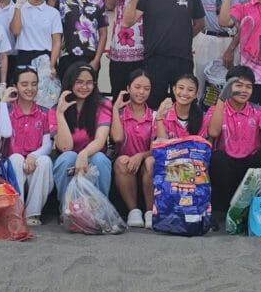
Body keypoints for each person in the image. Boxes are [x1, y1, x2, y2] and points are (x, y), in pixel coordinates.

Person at [122, 0, 205, 108]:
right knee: (153, 105)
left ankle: (182, 133)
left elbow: (200, 24)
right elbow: (127, 23)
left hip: (182, 60)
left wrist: (182, 36)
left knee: (183, 105)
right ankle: (154, 133)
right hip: (154, 61)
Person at [206, 66, 261, 221]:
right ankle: (221, 211)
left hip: (249, 169)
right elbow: (213, 132)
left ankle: (260, 209)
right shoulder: (216, 109)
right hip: (226, 168)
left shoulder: (258, 110)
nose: (244, 90)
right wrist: (221, 99)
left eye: (248, 86)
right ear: (228, 86)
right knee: (216, 158)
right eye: (238, 85)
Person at [0, 66, 55, 225]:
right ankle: (16, 212)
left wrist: (33, 156)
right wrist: (3, 103)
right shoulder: (6, 110)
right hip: (10, 167)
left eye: (34, 84)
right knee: (16, 159)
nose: (30, 88)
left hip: (34, 164)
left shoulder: (44, 112)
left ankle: (32, 214)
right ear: (15, 86)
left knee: (45, 161)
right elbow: (5, 133)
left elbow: (47, 145)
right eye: (24, 84)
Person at [52, 64, 113, 208]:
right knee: (67, 158)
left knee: (100, 159)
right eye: (79, 82)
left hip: (92, 154)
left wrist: (84, 154)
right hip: (69, 157)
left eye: (89, 83)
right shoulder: (55, 109)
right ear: (70, 82)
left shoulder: (103, 105)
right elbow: (65, 147)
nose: (84, 87)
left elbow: (100, 140)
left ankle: (99, 210)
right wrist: (60, 114)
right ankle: (67, 210)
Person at [190, 0, 245, 99]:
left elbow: (241, 26)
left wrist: (231, 49)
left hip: (229, 41)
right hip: (205, 39)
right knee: (201, 84)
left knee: (229, 86)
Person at [104, 0, 157, 96]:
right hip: (120, 51)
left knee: (143, 96)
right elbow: (109, 4)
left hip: (147, 51)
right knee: (119, 95)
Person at [110, 69, 156, 229]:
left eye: (146, 88)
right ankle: (134, 211)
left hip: (146, 162)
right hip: (124, 163)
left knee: (151, 161)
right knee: (122, 160)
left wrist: (140, 156)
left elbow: (158, 147)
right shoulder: (119, 113)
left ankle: (150, 212)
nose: (142, 92)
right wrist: (115, 109)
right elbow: (117, 138)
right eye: (137, 87)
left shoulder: (155, 116)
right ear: (128, 88)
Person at [55, 0, 109, 79]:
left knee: (88, 91)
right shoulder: (62, 0)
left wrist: (96, 60)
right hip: (67, 56)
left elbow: (103, 33)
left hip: (90, 57)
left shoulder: (98, 3)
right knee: (67, 93)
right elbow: (53, 30)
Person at [10, 0, 63, 78]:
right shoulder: (19, 8)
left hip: (46, 58)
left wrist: (51, 65)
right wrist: (18, 7)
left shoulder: (53, 12)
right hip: (24, 57)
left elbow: (56, 41)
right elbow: (15, 31)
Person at [155, 74, 208, 140]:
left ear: (196, 94)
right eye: (181, 88)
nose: (184, 93)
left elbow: (201, 146)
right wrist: (159, 118)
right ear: (174, 89)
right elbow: (161, 144)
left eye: (190, 90)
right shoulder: (164, 114)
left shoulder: (203, 118)